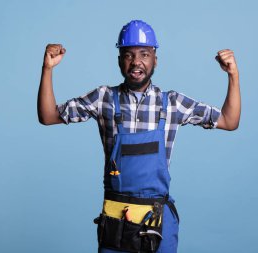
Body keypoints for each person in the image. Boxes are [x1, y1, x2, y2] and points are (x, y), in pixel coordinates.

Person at [37, 20, 240, 253]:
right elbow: (48, 116)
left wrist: (233, 75)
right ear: (119, 60)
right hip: (116, 224)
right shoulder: (103, 98)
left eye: (144, 54)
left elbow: (228, 120)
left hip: (158, 222)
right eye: (128, 54)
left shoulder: (173, 103)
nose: (136, 62)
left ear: (155, 59)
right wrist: (47, 69)